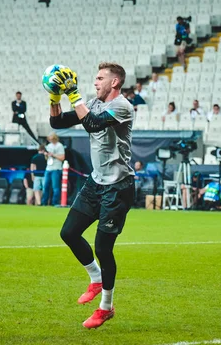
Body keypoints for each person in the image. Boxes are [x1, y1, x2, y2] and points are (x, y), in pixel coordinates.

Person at [49, 62, 134, 329]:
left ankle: (106, 307)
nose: (95, 82)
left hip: (118, 187)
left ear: (115, 83)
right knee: (69, 233)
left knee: (103, 248)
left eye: (100, 78)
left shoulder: (122, 106)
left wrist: (73, 93)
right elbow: (57, 122)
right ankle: (95, 279)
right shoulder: (93, 102)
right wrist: (54, 95)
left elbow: (94, 125)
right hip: (96, 183)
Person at [41, 133, 65, 206]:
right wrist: (46, 155)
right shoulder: (49, 146)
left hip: (56, 168)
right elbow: (47, 159)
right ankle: (44, 202)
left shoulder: (59, 146)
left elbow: (62, 158)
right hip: (48, 168)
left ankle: (55, 202)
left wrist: (53, 155)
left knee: (55, 187)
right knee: (45, 186)